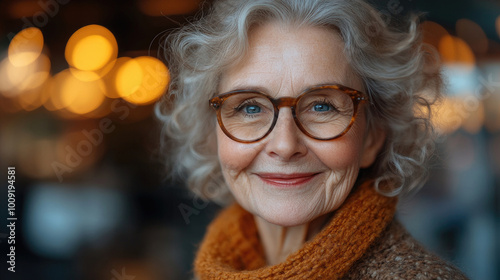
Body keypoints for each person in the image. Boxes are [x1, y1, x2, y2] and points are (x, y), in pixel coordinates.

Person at [156, 0, 469, 279]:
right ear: (213, 134)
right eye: (250, 107)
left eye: (322, 106)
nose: (284, 145)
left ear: (373, 136)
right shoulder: (217, 268)